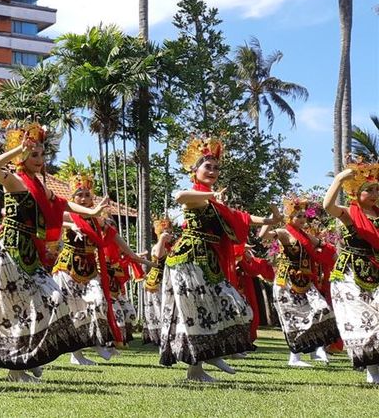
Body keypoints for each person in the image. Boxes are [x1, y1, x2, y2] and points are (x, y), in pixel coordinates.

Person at [0, 119, 102, 382]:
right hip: (7, 253)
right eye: (33, 154)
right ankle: (17, 369)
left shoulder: (40, 186)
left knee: (55, 299)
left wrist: (92, 211)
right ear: (23, 156)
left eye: (41, 154)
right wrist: (18, 152)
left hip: (27, 255)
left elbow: (63, 203)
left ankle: (28, 357)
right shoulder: (15, 181)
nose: (39, 159)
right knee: (17, 311)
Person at [160, 136, 281, 382]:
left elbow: (241, 216)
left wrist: (271, 219)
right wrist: (212, 196)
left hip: (209, 261)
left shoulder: (213, 200)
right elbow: (178, 196)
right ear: (195, 170)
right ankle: (198, 369)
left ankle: (211, 355)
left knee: (236, 307)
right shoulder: (199, 195)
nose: (213, 171)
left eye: (216, 168)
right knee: (197, 314)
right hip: (188, 260)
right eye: (208, 166)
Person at [52, 164, 150, 365]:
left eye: (87, 195)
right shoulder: (70, 214)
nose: (84, 199)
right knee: (75, 310)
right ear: (73, 197)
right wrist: (72, 225)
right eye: (79, 195)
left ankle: (98, 342)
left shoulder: (98, 220)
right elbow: (53, 218)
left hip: (90, 270)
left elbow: (115, 238)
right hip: (67, 268)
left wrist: (134, 256)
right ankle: (77, 355)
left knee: (99, 302)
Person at [259, 195, 340, 367]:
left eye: (304, 216)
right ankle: (295, 358)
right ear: (290, 217)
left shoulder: (305, 235)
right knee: (293, 319)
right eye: (299, 216)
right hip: (286, 281)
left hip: (305, 280)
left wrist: (334, 256)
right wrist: (272, 217)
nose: (303, 219)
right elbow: (264, 235)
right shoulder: (283, 232)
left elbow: (322, 246)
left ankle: (317, 349)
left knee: (321, 309)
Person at [323, 161, 379, 384]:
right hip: (349, 275)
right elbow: (328, 206)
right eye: (369, 189)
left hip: (375, 271)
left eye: (377, 189)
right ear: (356, 192)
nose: (375, 194)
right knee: (362, 322)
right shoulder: (348, 213)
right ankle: (373, 370)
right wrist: (338, 180)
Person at [141, 217, 175, 346]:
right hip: (156, 282)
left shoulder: (172, 246)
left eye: (169, 232)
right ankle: (161, 337)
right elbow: (160, 256)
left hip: (167, 281)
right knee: (159, 309)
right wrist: (162, 239)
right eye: (164, 232)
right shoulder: (158, 246)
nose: (168, 234)